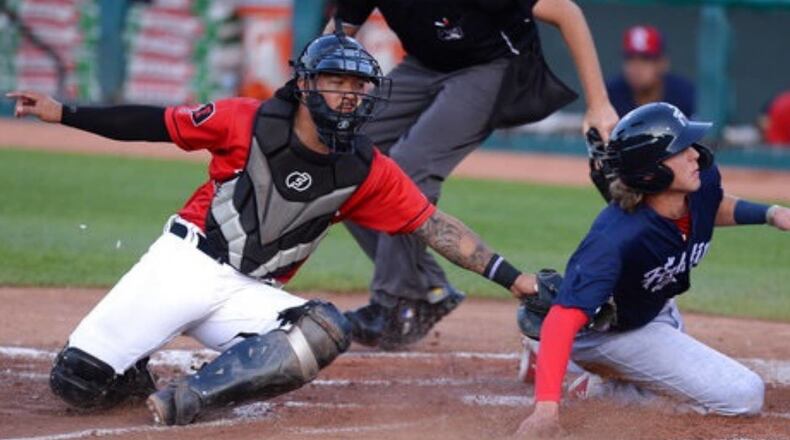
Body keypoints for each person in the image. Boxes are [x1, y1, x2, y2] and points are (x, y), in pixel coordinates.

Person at [6, 33, 540, 426]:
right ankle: (132, 369)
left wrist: (517, 280)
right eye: (336, 82)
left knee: (324, 329)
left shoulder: (368, 168)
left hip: (251, 294)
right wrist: (64, 112)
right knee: (77, 382)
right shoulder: (245, 119)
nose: (350, 95)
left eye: (358, 86)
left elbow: (434, 227)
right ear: (305, 85)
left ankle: (189, 400)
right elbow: (156, 124)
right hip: (186, 264)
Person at [326, 0, 619, 350]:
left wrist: (598, 103)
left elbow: (566, 12)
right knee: (344, 154)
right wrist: (300, 101)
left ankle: (396, 301)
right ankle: (426, 287)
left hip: (490, 65)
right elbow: (334, 39)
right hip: (423, 65)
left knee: (410, 167)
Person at [514, 102, 790, 437]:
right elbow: (561, 320)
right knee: (743, 395)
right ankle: (600, 389)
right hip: (606, 334)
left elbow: (710, 206)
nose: (695, 155)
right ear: (651, 173)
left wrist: (771, 214)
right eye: (681, 149)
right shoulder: (615, 237)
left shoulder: (698, 183)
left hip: (653, 308)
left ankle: (547, 356)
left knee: (684, 368)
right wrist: (545, 410)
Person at [606, 25, 696, 118]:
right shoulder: (610, 95)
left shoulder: (685, 94)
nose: (636, 67)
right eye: (630, 58)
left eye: (645, 59)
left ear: (662, 63)